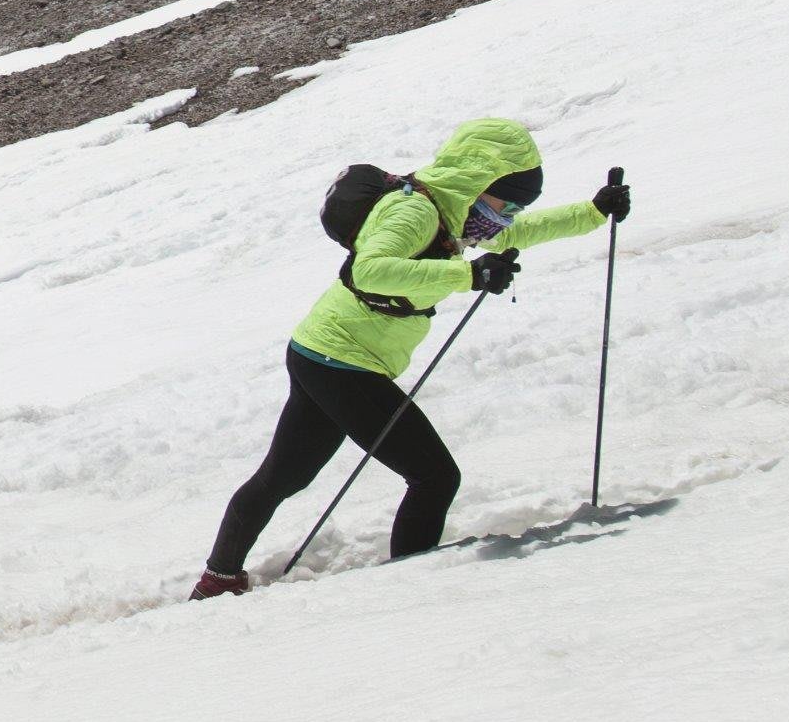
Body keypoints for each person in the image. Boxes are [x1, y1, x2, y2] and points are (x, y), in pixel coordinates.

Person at [191, 118, 631, 597]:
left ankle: (218, 579)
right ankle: (410, 592)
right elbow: (372, 270)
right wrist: (469, 276)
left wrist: (592, 212)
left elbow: (513, 235)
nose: (510, 217)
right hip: (342, 360)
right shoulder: (415, 214)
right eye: (509, 204)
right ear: (481, 187)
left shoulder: (454, 213)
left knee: (283, 476)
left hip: (323, 352)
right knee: (434, 477)